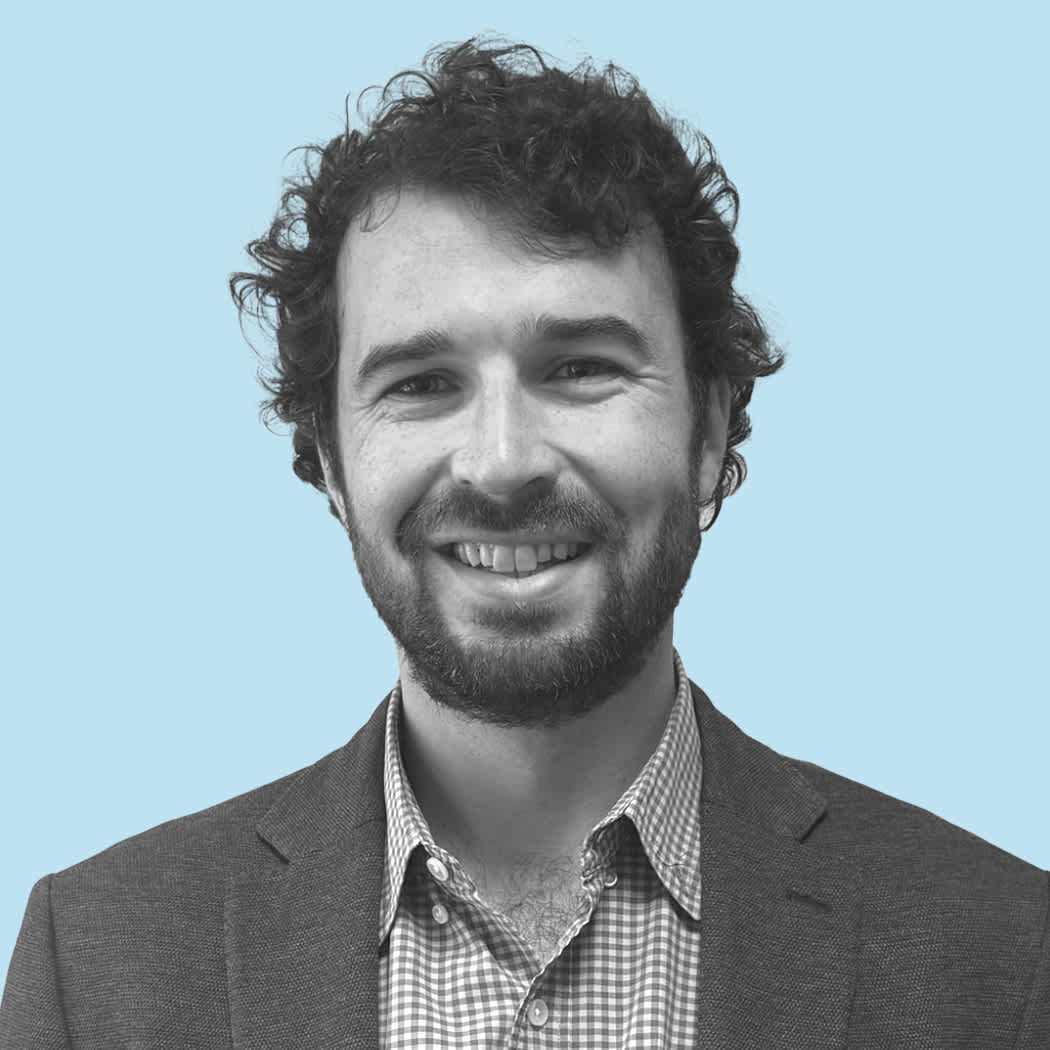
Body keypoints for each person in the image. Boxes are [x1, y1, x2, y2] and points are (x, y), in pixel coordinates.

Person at [1, 38, 1047, 1049]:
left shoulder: (1004, 960)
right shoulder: (95, 968)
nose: (500, 463)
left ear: (710, 427)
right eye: (422, 384)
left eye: (581, 367)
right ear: (328, 460)